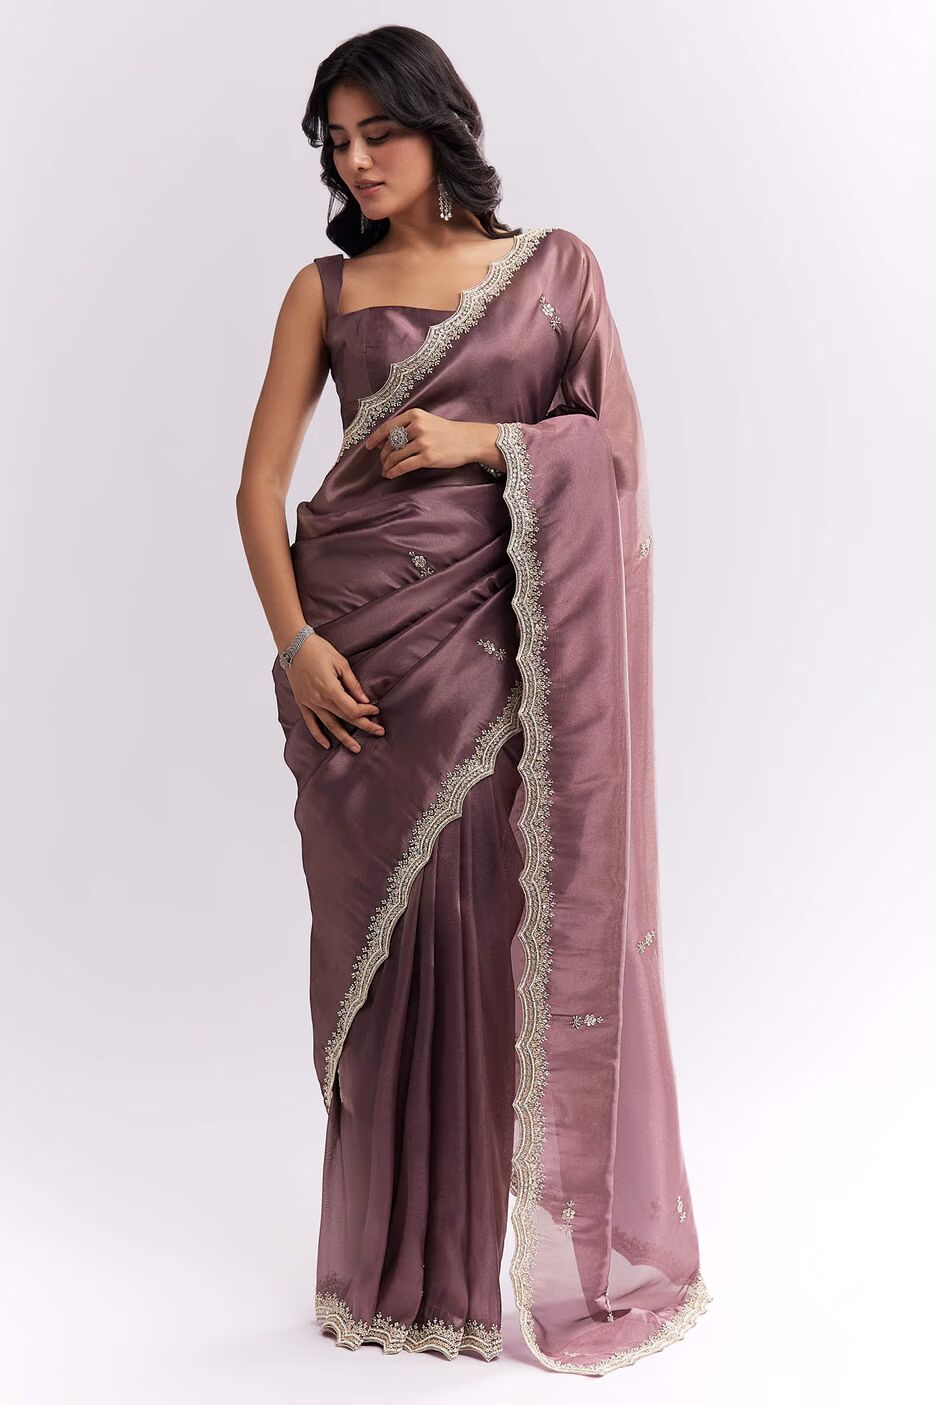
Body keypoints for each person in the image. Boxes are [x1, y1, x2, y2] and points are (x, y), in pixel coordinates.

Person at [236, 23, 711, 1376]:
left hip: (502, 659)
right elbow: (257, 487)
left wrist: (483, 439)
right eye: (336, 142)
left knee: (485, 929)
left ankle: (475, 1264)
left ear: (439, 124)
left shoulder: (554, 272)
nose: (356, 161)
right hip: (358, 666)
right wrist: (294, 643)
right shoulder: (325, 289)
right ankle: (389, 1274)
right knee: (380, 961)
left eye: (377, 132)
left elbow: (609, 458)